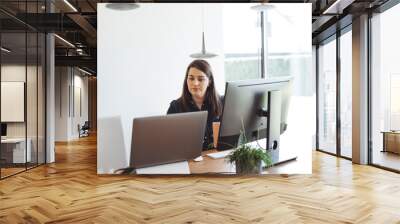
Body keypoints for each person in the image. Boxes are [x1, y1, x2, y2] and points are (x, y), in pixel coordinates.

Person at [167, 59, 223, 150]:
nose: (195, 83)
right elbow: (169, 143)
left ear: (209, 82)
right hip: (189, 161)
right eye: (191, 78)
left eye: (200, 79)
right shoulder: (175, 107)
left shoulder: (222, 102)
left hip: (218, 158)